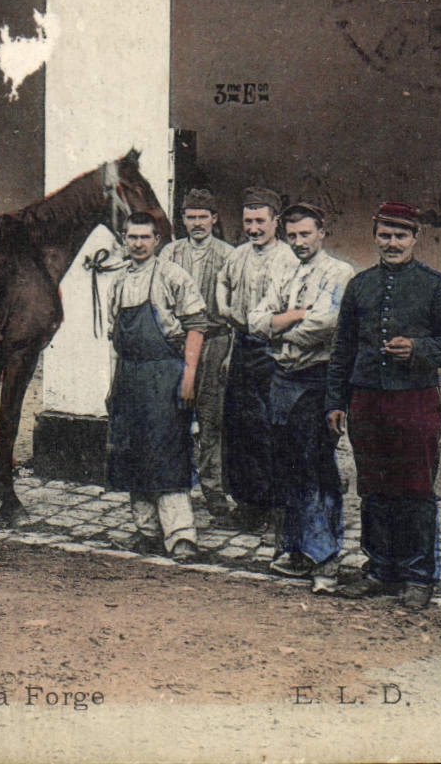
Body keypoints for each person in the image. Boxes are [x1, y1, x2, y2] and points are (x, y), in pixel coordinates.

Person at [326, 202, 441, 611]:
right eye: (385, 235)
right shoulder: (360, 285)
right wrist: (336, 400)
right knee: (373, 487)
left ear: (415, 238)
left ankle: (418, 575)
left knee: (414, 490)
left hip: (414, 400)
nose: (392, 243)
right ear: (375, 236)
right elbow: (342, 349)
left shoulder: (436, 286)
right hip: (366, 399)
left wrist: (419, 349)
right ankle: (379, 569)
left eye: (400, 236)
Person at [249, 204, 354, 590]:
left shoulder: (339, 273)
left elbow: (324, 326)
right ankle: (295, 552)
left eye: (305, 234)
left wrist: (280, 323)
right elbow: (255, 320)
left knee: (316, 466)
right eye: (291, 236)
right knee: (287, 465)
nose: (298, 243)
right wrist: (291, 317)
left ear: (322, 232)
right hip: (283, 379)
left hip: (317, 380)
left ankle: (325, 559)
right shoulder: (284, 270)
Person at [105, 211, 209, 559]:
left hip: (165, 374)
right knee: (133, 452)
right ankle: (146, 531)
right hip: (130, 376)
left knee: (167, 452)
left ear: (156, 240)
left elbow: (196, 325)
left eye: (144, 238)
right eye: (131, 237)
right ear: (123, 240)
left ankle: (182, 536)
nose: (137, 244)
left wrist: (189, 376)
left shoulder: (171, 275)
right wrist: (113, 386)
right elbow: (115, 340)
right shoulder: (118, 282)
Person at [217, 186, 298, 530]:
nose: (253, 228)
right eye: (248, 221)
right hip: (243, 347)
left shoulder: (289, 258)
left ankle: (275, 506)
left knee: (270, 428)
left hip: (274, 351)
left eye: (260, 221)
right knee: (240, 427)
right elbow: (223, 281)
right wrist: (223, 306)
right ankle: (248, 503)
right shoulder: (239, 255)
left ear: (276, 221)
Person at [159, 188, 235, 515]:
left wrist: (230, 350)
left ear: (215, 219)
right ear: (183, 220)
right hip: (178, 344)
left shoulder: (230, 255)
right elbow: (159, 300)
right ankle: (175, 485)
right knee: (175, 415)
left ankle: (213, 489)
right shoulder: (170, 253)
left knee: (210, 418)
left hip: (216, 342)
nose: (197, 223)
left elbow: (236, 308)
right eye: (191, 217)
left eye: (204, 216)